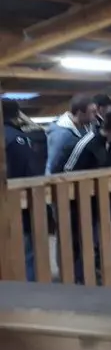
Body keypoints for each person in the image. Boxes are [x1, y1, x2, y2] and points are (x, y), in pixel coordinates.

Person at [60, 109, 111, 285]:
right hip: (79, 202)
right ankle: (79, 277)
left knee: (96, 238)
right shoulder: (88, 143)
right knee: (80, 239)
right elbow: (68, 170)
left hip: (98, 200)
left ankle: (95, 271)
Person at [3, 99, 45, 282]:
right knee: (26, 252)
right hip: (18, 203)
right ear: (16, 115)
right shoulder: (17, 138)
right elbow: (30, 170)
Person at [46, 94, 97, 174]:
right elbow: (53, 164)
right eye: (92, 112)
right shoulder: (61, 135)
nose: (96, 115)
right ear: (80, 113)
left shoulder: (86, 128)